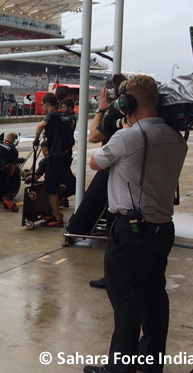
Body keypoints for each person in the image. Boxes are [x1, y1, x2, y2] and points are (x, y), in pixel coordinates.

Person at [83, 75, 187, 373]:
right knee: (154, 296)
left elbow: (94, 162)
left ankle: (120, 367)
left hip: (130, 231)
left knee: (126, 302)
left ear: (128, 103)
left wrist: (123, 128)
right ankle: (151, 359)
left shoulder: (128, 137)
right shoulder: (175, 139)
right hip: (162, 229)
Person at [65, 74, 127, 289]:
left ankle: (113, 278)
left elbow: (93, 137)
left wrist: (101, 109)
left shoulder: (116, 114)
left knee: (114, 222)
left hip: (114, 169)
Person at [33, 92, 74, 227]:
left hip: (56, 156)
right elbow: (72, 124)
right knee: (55, 183)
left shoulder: (52, 115)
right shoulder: (66, 116)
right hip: (67, 156)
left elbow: (40, 125)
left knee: (49, 188)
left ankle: (57, 217)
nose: (42, 107)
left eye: (43, 105)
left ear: (48, 104)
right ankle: (55, 211)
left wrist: (36, 139)